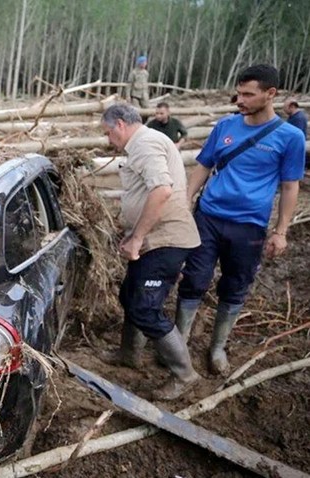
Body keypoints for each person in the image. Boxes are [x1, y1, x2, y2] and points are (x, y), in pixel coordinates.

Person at [175, 65, 306, 376]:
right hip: (208, 217)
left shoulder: (291, 137)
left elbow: (290, 186)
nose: (240, 99)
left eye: (249, 94)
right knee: (194, 278)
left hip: (249, 225)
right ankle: (178, 343)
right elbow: (203, 166)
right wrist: (185, 202)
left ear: (270, 94)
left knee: (235, 285)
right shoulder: (225, 127)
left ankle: (217, 346)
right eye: (239, 92)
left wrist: (281, 231)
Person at [99, 103, 201, 400]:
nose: (108, 140)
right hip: (153, 237)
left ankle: (185, 374)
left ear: (119, 124)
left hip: (166, 238)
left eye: (108, 133)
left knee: (145, 308)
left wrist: (136, 237)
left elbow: (162, 190)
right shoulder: (144, 143)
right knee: (129, 295)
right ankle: (129, 354)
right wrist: (134, 233)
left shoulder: (145, 143)